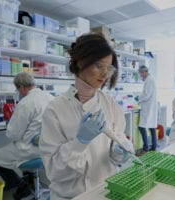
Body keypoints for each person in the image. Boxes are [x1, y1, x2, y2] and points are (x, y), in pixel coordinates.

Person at [39, 33, 134, 200]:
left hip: (106, 191)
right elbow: (54, 172)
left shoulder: (111, 105)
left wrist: (120, 152)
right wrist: (79, 143)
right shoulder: (55, 110)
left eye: (109, 68)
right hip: (70, 196)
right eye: (99, 65)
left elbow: (115, 154)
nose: (105, 74)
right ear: (80, 62)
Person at [0, 72, 54, 200]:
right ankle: (27, 185)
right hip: (48, 149)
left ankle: (22, 187)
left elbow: (13, 134)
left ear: (22, 87)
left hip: (29, 150)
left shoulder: (26, 102)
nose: (19, 92)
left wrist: (10, 123)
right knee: (9, 154)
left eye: (18, 89)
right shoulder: (51, 97)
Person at [135, 65, 157, 152]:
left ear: (144, 72)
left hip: (148, 107)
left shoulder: (149, 80)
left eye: (141, 74)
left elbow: (146, 95)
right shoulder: (150, 79)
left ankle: (145, 148)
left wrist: (138, 98)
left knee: (142, 127)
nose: (141, 76)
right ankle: (153, 147)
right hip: (150, 106)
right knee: (152, 127)